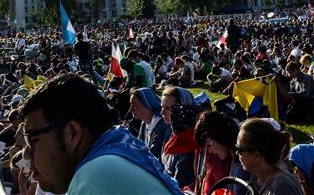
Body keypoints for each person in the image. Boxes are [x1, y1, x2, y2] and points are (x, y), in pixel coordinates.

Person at [20, 74, 179, 194]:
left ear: (72, 134)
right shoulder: (114, 153)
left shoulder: (93, 177)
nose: (26, 155)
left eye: (32, 140)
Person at [235, 118, 302, 195]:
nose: (236, 153)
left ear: (257, 155)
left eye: (240, 149)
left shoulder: (282, 187)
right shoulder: (257, 177)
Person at [192, 110, 239, 195]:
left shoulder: (240, 166)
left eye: (209, 145)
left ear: (219, 136)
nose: (210, 151)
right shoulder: (231, 159)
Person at [160, 86, 197, 188]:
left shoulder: (189, 141)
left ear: (183, 109)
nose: (162, 112)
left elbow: (179, 182)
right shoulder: (169, 131)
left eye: (168, 108)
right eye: (162, 107)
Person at [129, 87, 171, 161]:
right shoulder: (144, 123)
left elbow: (152, 155)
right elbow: (139, 146)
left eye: (134, 105)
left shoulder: (162, 125)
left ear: (147, 104)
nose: (131, 109)